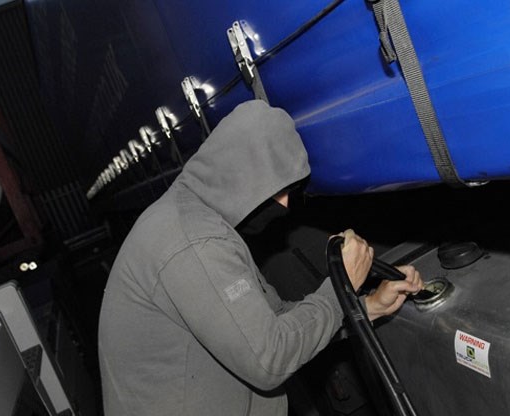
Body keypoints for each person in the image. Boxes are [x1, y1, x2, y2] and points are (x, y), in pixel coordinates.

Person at [98, 100, 422, 415]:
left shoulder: (201, 221)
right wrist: (341, 289)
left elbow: (275, 319)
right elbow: (270, 358)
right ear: (240, 172)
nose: (285, 204)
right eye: (277, 188)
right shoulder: (193, 240)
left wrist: (366, 306)